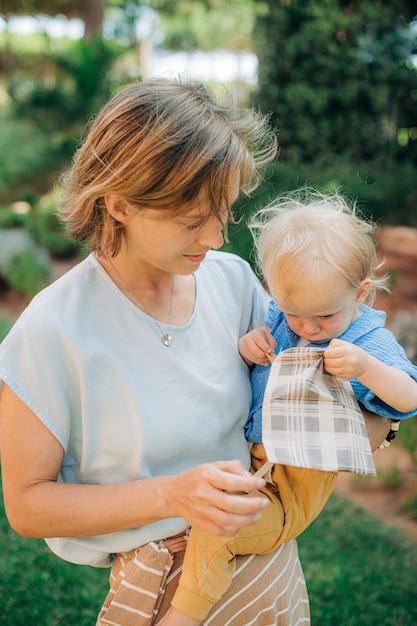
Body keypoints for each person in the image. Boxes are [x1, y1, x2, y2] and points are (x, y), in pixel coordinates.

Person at [0, 79, 390, 626]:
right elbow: (26, 505)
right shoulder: (52, 330)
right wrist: (175, 496)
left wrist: (374, 414)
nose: (213, 237)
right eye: (190, 220)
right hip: (165, 590)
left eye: (224, 213)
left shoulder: (233, 284)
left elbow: (324, 401)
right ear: (118, 203)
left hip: (269, 566)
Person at [160, 188, 417, 626]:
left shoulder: (366, 341)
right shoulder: (282, 319)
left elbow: (409, 396)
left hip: (290, 488)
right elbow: (260, 365)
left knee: (217, 530)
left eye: (324, 317)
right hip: (251, 467)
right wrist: (249, 346)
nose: (309, 328)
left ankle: (181, 617)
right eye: (295, 313)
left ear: (360, 294)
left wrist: (365, 369)